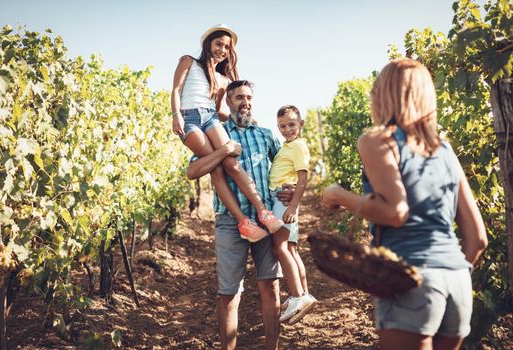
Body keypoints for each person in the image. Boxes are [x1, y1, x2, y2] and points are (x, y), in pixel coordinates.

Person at [322, 58, 487, 350]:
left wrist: (338, 195)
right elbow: (477, 239)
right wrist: (449, 274)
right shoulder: (444, 149)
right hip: (459, 282)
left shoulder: (379, 140)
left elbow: (395, 212)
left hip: (413, 280)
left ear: (382, 95)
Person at [187, 80, 292, 350]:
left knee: (270, 287)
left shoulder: (267, 134)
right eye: (238, 98)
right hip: (229, 223)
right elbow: (194, 170)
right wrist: (222, 152)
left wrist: (290, 189)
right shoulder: (217, 134)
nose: (245, 102)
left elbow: (284, 169)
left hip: (265, 220)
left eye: (248, 97)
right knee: (229, 294)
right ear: (228, 102)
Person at [171, 24, 283, 242]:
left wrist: (250, 119)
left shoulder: (223, 80)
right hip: (190, 119)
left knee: (232, 163)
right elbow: (176, 90)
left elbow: (220, 111)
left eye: (226, 47)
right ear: (208, 44)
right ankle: (244, 222)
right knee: (218, 170)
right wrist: (176, 114)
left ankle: (263, 212)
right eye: (218, 44)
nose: (222, 50)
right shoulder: (188, 62)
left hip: (210, 118)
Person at [268, 105, 317, 324]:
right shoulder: (287, 146)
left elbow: (303, 179)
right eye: (282, 126)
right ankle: (304, 295)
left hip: (282, 200)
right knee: (291, 249)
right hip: (284, 200)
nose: (287, 129)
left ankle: (297, 295)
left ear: (301, 124)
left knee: (279, 247)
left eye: (291, 124)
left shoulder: (298, 146)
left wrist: (291, 206)